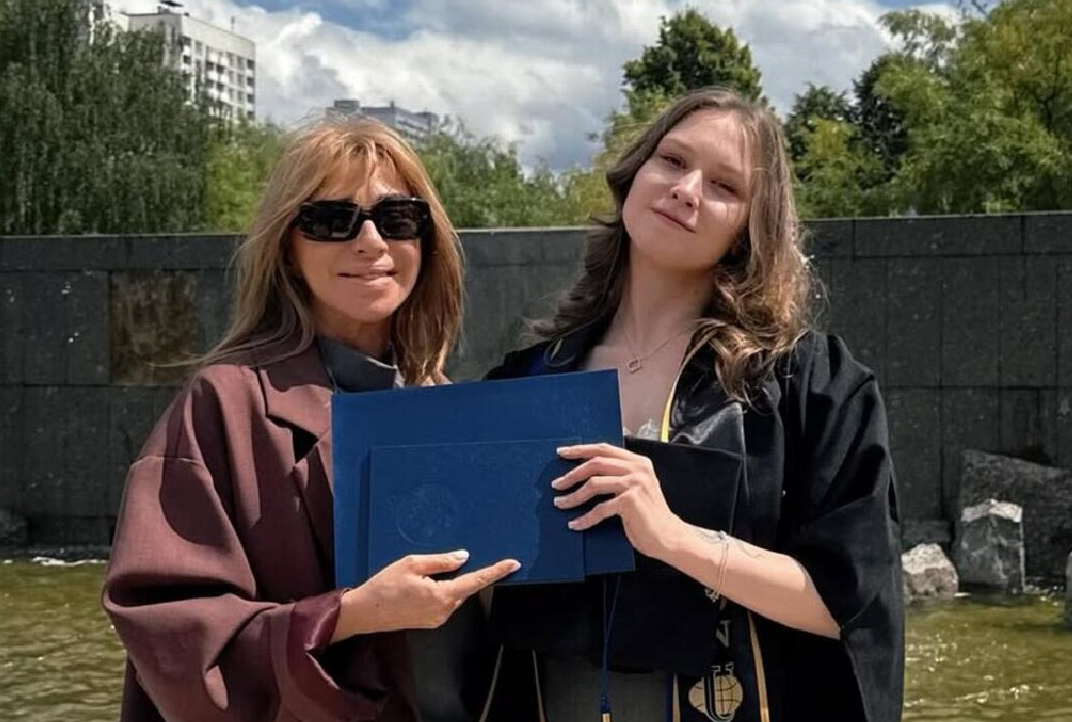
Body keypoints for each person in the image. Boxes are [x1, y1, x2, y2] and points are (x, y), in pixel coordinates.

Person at [483, 88, 904, 722]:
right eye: (673, 161)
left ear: (749, 229)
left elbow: (847, 603)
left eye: (724, 186)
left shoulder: (809, 385)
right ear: (634, 174)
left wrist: (676, 539)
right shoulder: (529, 378)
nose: (686, 190)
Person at [102, 118, 519, 722]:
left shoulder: (450, 408)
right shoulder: (225, 403)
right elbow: (169, 632)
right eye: (330, 220)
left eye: (398, 218)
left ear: (426, 243)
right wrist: (349, 616)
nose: (370, 242)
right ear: (289, 250)